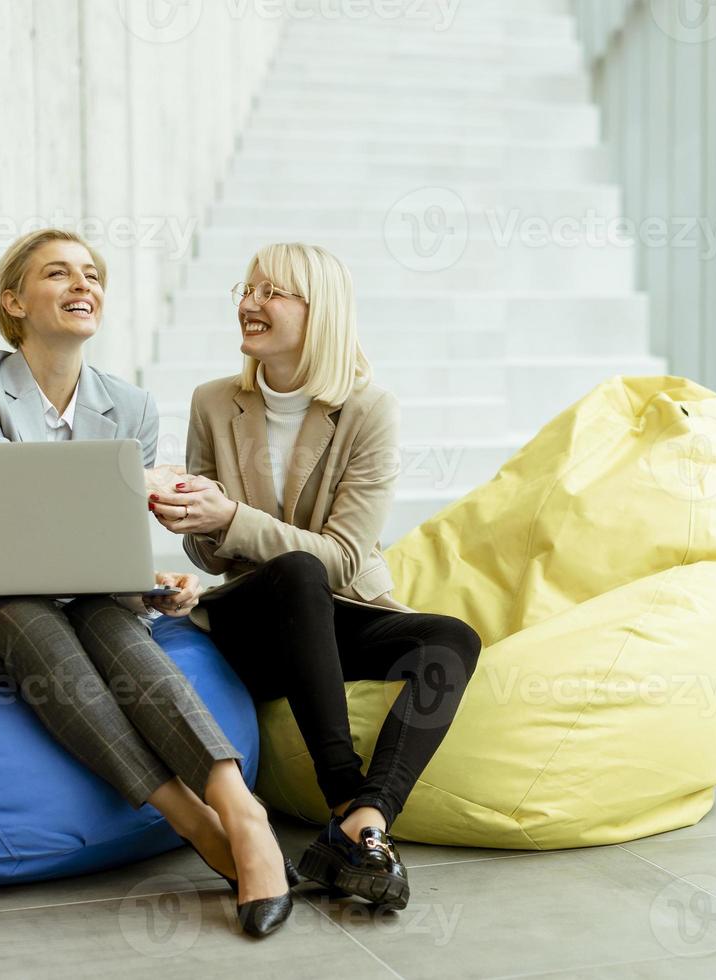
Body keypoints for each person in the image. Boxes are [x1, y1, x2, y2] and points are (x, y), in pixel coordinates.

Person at [0, 229, 294, 938]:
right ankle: (190, 820)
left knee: (112, 619)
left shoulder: (129, 406)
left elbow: (100, 552)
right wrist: (133, 485)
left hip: (79, 605)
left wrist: (150, 586)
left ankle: (241, 812)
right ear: (13, 300)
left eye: (93, 274)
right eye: (58, 274)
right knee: (28, 616)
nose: (84, 285)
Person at [150, 242, 483, 911]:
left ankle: (364, 822)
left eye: (271, 292)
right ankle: (341, 791)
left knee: (452, 639)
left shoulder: (368, 410)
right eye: (246, 289)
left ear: (318, 310)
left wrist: (231, 516)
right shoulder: (214, 402)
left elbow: (347, 559)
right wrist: (195, 519)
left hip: (335, 606)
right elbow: (213, 559)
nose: (249, 303)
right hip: (249, 623)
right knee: (295, 572)